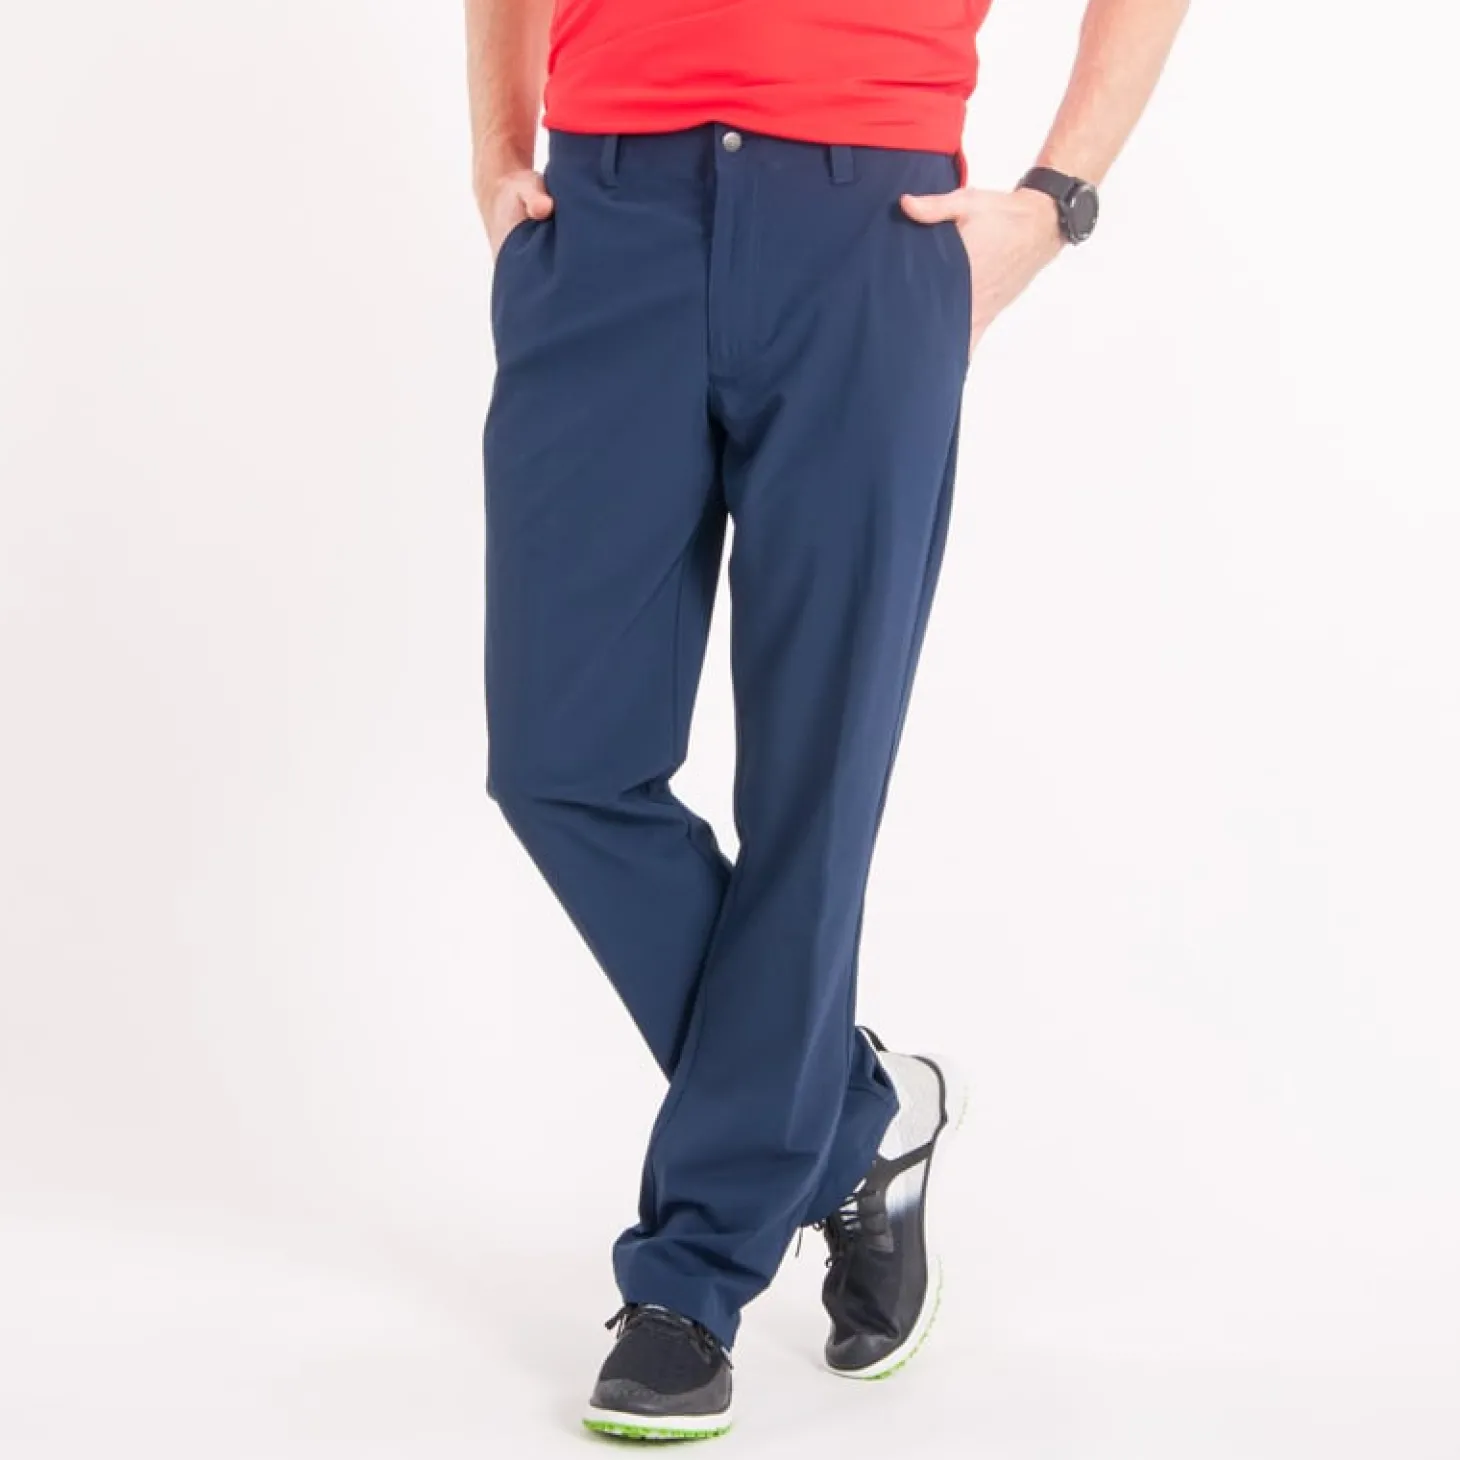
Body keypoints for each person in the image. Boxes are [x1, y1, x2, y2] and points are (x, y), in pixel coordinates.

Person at [465, 0, 1188, 1439]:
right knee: (559, 763)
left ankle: (690, 1278)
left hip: (870, 225)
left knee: (815, 783)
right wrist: (497, 151)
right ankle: (856, 1120)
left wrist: (1056, 199)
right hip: (604, 213)